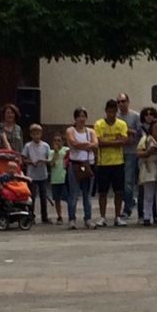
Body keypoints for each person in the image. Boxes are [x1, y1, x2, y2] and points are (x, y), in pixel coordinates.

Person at [93, 99, 129, 227]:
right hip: (103, 163)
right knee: (103, 192)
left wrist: (107, 142)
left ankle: (117, 217)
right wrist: (115, 141)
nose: (111, 114)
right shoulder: (98, 124)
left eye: (114, 111)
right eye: (109, 111)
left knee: (119, 191)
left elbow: (124, 141)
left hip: (118, 162)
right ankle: (102, 217)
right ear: (106, 111)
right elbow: (98, 142)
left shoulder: (122, 124)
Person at [65, 107, 98, 229]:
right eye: (79, 116)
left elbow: (95, 145)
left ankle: (88, 219)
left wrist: (82, 146)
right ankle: (72, 219)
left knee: (87, 194)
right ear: (75, 118)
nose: (81, 119)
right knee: (73, 193)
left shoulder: (91, 131)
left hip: (88, 164)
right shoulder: (70, 130)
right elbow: (73, 143)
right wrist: (87, 145)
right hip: (75, 164)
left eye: (83, 116)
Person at [116, 93, 142, 219]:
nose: (121, 104)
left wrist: (130, 132)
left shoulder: (135, 116)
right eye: (119, 102)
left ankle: (127, 208)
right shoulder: (115, 117)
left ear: (128, 101)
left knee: (128, 180)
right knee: (120, 182)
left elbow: (141, 132)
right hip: (118, 152)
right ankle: (130, 201)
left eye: (123, 101)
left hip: (131, 152)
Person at [21, 124, 52, 224]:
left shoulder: (45, 146)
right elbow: (23, 159)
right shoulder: (28, 146)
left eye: (38, 133)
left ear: (41, 134)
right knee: (32, 196)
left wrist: (45, 160)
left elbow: (50, 159)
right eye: (34, 134)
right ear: (31, 135)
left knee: (43, 196)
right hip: (32, 175)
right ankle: (31, 215)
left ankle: (44, 216)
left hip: (42, 174)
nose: (36, 136)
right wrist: (30, 162)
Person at [49, 134, 69, 225]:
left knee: (69, 198)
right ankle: (59, 216)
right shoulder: (51, 152)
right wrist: (56, 153)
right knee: (57, 199)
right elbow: (52, 164)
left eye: (59, 140)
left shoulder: (66, 150)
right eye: (55, 141)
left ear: (63, 142)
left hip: (65, 178)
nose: (57, 142)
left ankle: (71, 215)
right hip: (55, 179)